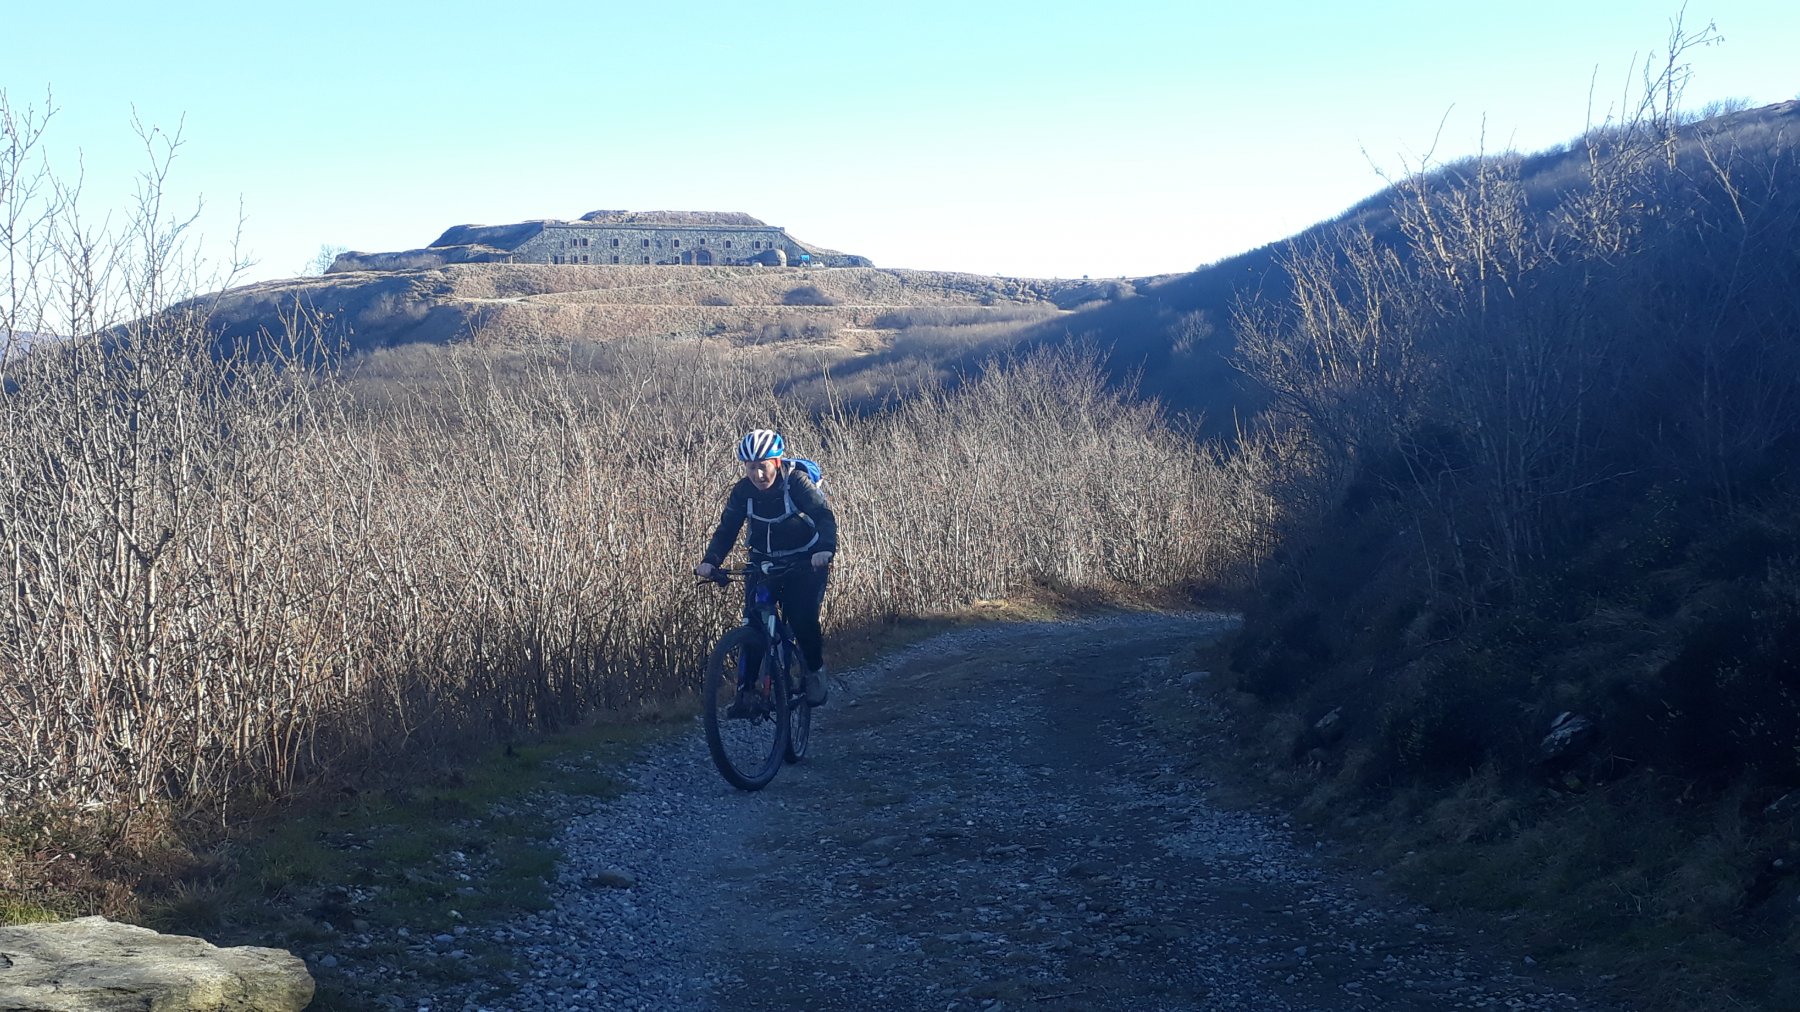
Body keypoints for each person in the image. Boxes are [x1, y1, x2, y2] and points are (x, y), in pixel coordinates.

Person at [694, 429, 836, 707]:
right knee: (754, 620)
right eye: (751, 468)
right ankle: (746, 691)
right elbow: (727, 529)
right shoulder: (742, 492)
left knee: (801, 618)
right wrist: (711, 561)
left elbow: (823, 516)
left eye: (764, 467)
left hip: (805, 561)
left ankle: (814, 671)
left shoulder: (796, 482)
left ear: (777, 463)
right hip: (763, 562)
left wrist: (824, 549)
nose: (758, 475)